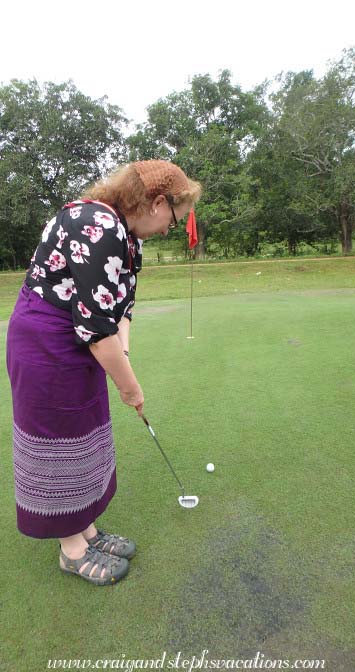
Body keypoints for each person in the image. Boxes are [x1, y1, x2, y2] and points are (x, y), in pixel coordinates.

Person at [6, 160, 201, 586]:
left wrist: (123, 357)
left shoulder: (129, 239)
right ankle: (71, 549)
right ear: (155, 202)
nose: (172, 227)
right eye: (174, 217)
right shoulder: (97, 224)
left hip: (79, 340)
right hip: (46, 343)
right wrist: (130, 386)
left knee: (86, 430)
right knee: (60, 439)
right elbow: (96, 328)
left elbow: (121, 308)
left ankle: (87, 529)